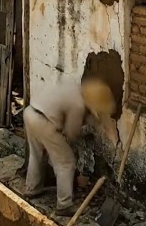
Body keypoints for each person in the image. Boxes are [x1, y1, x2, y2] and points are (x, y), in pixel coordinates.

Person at [21, 75, 119, 215]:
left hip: (30, 113)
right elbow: (71, 133)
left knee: (37, 154)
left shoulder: (74, 87)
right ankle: (64, 204)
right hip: (45, 122)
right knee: (66, 162)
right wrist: (84, 133)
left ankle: (32, 189)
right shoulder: (78, 104)